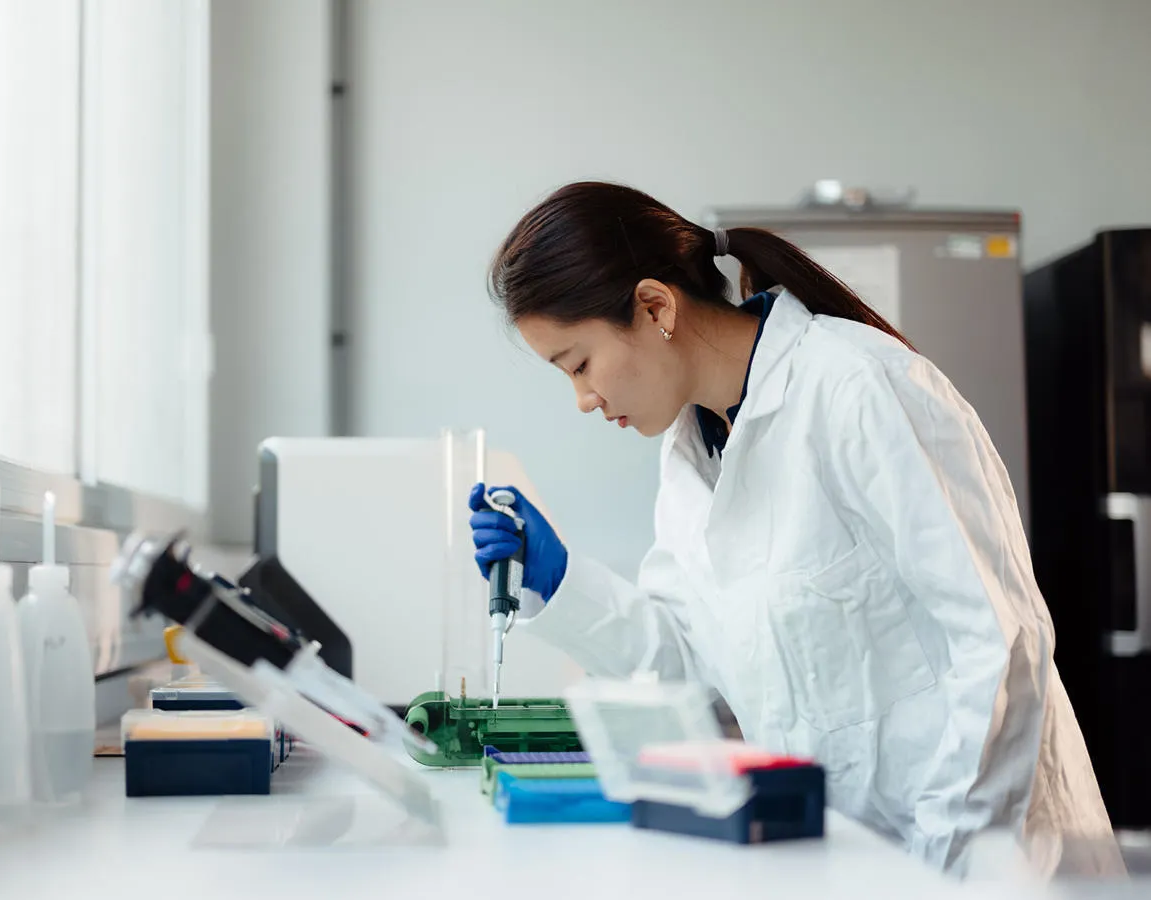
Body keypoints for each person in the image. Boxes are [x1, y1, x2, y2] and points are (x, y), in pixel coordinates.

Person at [467, 181, 1119, 876]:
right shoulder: (691, 455)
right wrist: (562, 583)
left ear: (655, 306)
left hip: (978, 864)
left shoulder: (856, 386)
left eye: (579, 364)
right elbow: (695, 677)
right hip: (835, 861)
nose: (583, 400)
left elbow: (996, 650)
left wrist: (940, 869)